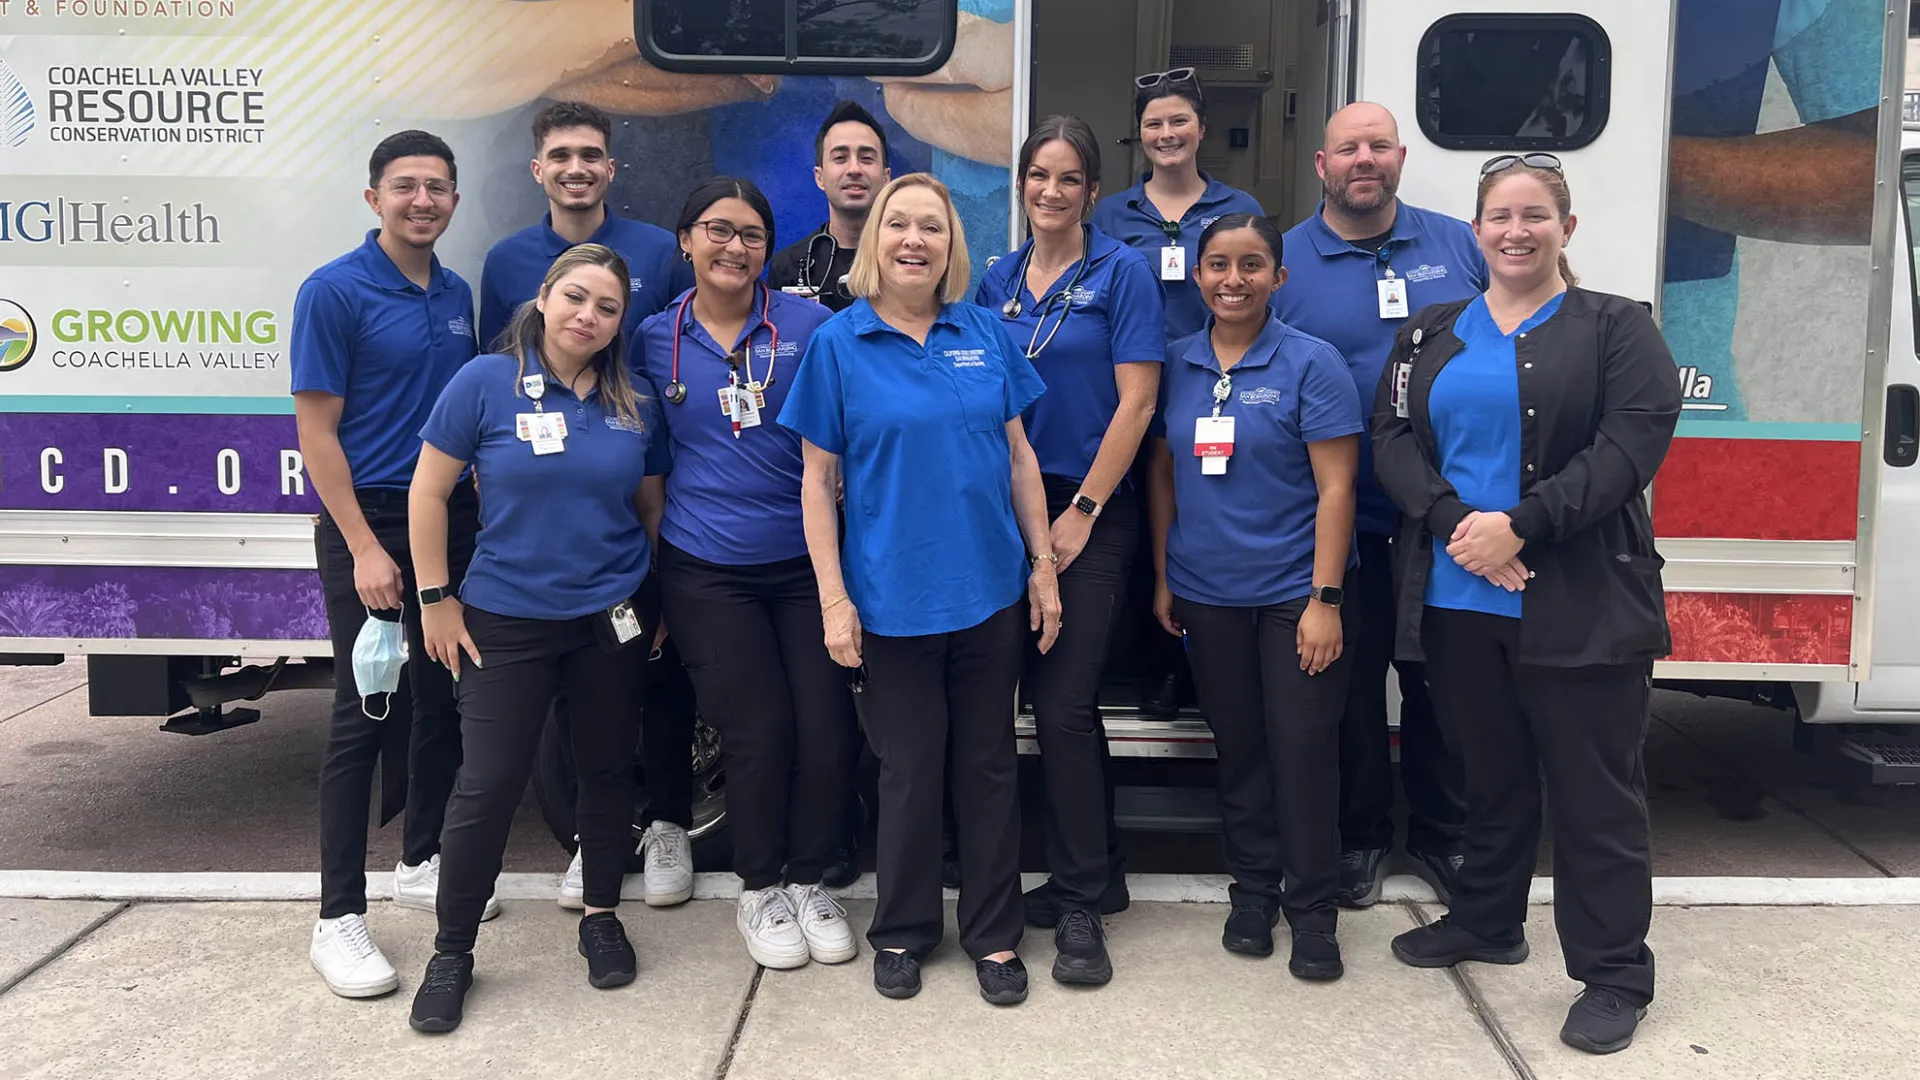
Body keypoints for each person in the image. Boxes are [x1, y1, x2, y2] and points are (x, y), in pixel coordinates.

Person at [1372, 156, 1680, 1055]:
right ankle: (1488, 919)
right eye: (1500, 217)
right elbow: (1391, 436)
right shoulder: (1429, 333)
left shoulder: (1618, 328)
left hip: (1581, 604)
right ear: (1475, 232)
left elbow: (1629, 447)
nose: (1517, 231)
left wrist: (1522, 527)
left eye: (1535, 215)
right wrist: (1456, 524)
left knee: (1594, 796)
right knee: (1490, 778)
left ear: (1566, 229)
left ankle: (1614, 974)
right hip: (1460, 600)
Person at [778, 173, 1061, 1006]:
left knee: (989, 767)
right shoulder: (840, 343)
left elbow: (1020, 458)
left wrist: (1043, 566)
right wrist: (833, 599)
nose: (913, 239)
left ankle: (995, 934)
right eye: (898, 224)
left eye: (931, 227)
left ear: (951, 245)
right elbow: (816, 482)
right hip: (891, 597)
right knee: (906, 770)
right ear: (876, 240)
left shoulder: (984, 332)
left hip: (989, 592)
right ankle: (902, 929)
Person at [404, 243, 672, 1033]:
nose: (589, 316)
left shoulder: (635, 398)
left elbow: (650, 509)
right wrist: (436, 599)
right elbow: (428, 492)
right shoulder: (485, 382)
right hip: (506, 617)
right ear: (545, 297)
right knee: (488, 783)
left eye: (608, 307)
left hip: (610, 619)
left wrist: (649, 598)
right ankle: (452, 951)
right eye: (576, 297)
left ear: (621, 322)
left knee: (605, 770)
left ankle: (600, 915)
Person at [476, 99, 698, 910]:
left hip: (644, 477)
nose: (577, 168)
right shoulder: (506, 261)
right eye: (562, 155)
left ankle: (667, 822)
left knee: (656, 666)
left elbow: (679, 351)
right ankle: (589, 844)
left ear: (611, 167)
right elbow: (495, 383)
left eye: (591, 155)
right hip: (546, 511)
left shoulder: (657, 252)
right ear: (539, 168)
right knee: (574, 700)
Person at [292, 129, 497, 1000]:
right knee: (366, 708)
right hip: (371, 520)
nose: (423, 201)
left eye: (437, 187)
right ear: (374, 197)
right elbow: (316, 433)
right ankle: (337, 916)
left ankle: (420, 859)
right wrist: (365, 547)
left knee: (443, 695)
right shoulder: (333, 290)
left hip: (446, 516)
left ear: (454, 201)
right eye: (406, 186)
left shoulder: (454, 292)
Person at [634, 177, 859, 971]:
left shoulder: (811, 326)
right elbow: (647, 466)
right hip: (706, 571)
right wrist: (656, 577)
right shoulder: (653, 338)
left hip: (804, 564)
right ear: (686, 241)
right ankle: (759, 886)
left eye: (752, 235)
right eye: (718, 231)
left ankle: (807, 878)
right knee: (757, 731)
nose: (735, 247)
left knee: (827, 729)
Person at [1271, 102, 1486, 909]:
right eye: (1348, 149)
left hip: (1443, 518)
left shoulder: (1459, 245)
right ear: (1321, 165)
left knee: (1442, 681)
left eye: (1379, 146)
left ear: (1400, 158)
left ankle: (1443, 834)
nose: (1364, 159)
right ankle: (1361, 836)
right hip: (1342, 519)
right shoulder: (1286, 260)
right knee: (1352, 689)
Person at [972, 115, 1162, 986]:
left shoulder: (1122, 273)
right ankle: (1099, 869)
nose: (1052, 191)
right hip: (1007, 505)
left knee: (1063, 702)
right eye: (1039, 175)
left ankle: (1083, 901)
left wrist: (1083, 509)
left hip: (1091, 504)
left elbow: (1137, 403)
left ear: (1093, 191)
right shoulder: (997, 279)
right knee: (1014, 700)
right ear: (1022, 184)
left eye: (1069, 178)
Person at [1146, 213, 1361, 983]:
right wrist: (1165, 575)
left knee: (1302, 751)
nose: (1233, 280)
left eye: (1251, 265)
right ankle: (1253, 894)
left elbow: (1338, 488)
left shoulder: (1311, 363)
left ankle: (1313, 913)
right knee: (1238, 751)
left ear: (1279, 276)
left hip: (1294, 594)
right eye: (1218, 265)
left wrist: (1325, 598)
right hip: (1208, 594)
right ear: (1197, 275)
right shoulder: (1176, 362)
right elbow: (1164, 473)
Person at [1092, 68, 1265, 345]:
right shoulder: (1110, 214)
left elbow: (1264, 298)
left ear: (1202, 128)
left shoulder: (1241, 209)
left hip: (1220, 365)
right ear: (1140, 134)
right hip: (1133, 365)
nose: (1167, 134)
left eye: (1179, 121)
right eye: (1153, 124)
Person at [767, 100, 893, 312]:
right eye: (840, 158)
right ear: (820, 177)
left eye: (866, 158)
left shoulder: (907, 259)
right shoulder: (789, 265)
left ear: (886, 177)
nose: (854, 169)